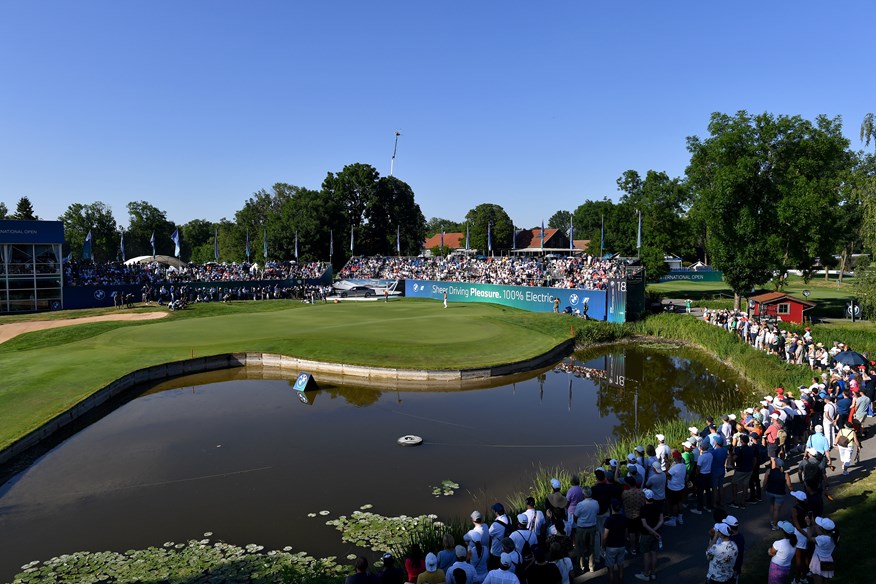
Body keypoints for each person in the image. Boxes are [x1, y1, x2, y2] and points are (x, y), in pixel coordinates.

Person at [635, 489, 663, 582]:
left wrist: (652, 531)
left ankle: (646, 574)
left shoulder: (643, 509)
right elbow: (661, 520)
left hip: (646, 534)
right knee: (654, 553)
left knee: (646, 554)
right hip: (656, 533)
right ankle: (653, 573)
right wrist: (655, 531)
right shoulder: (658, 506)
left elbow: (644, 524)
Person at [572, 486, 598, 573]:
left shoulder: (580, 505)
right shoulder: (596, 503)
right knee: (591, 547)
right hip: (592, 527)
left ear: (583, 495)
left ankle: (581, 566)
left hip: (581, 528)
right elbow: (597, 512)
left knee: (580, 548)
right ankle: (591, 566)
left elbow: (575, 517)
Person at [602, 499, 628, 584]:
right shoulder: (624, 518)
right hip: (621, 545)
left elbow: (605, 536)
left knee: (610, 569)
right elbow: (626, 533)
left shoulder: (609, 520)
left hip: (611, 546)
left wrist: (603, 546)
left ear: (611, 507)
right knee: (621, 567)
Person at [763, 457, 792, 531]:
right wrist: (792, 491)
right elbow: (789, 486)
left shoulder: (769, 471)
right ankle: (775, 525)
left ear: (775, 464)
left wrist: (763, 488)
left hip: (769, 491)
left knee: (771, 505)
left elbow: (765, 481)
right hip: (780, 493)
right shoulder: (785, 475)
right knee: (777, 509)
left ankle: (771, 520)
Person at [808, 517, 838, 583]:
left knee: (818, 581)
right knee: (825, 581)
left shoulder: (821, 539)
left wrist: (809, 525)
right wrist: (813, 523)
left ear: (822, 529)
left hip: (818, 562)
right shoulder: (835, 536)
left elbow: (809, 538)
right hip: (828, 560)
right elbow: (822, 534)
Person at [488, 503, 512, 570]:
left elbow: (489, 534)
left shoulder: (495, 525)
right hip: (506, 550)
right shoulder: (508, 518)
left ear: (496, 512)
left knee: (494, 568)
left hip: (496, 552)